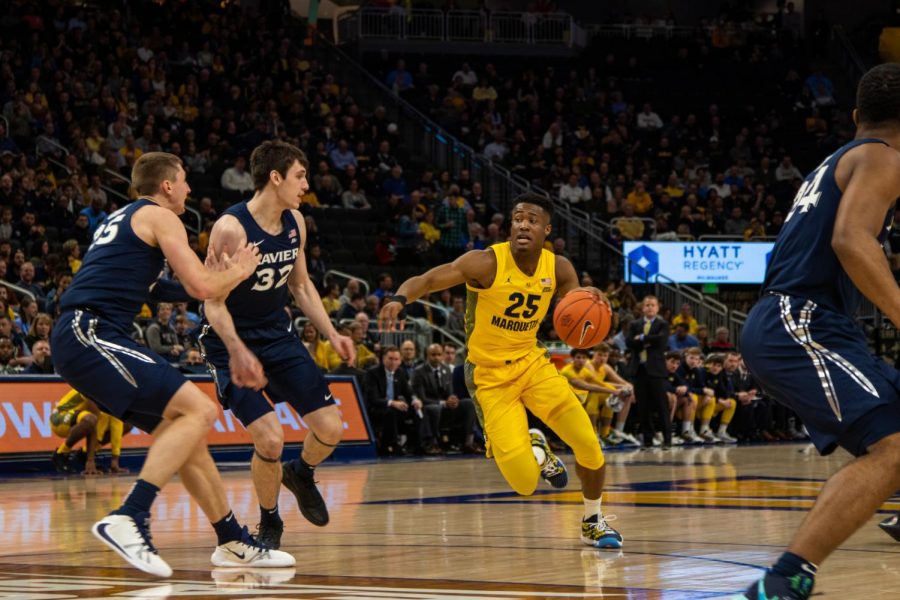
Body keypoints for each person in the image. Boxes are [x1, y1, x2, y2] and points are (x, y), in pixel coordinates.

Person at [50, 151, 294, 577]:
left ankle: (232, 540)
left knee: (184, 433)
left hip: (83, 335)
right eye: (183, 181)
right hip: (91, 332)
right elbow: (201, 287)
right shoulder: (163, 218)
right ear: (166, 185)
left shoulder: (125, 217)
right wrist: (238, 270)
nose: (188, 189)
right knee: (200, 410)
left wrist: (201, 279)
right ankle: (130, 516)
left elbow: (156, 286)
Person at [379, 193, 622, 548]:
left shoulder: (558, 268)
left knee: (589, 446)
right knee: (524, 483)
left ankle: (593, 520)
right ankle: (537, 450)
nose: (523, 224)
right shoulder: (486, 263)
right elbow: (430, 279)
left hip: (532, 365)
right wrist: (400, 298)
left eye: (532, 220)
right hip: (489, 377)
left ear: (547, 230)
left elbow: (577, 306)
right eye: (517, 218)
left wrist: (593, 299)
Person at [739, 63, 900, 599]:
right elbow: (852, 241)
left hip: (806, 321)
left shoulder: (840, 158)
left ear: (857, 116)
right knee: (893, 450)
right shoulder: (883, 156)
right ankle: (782, 583)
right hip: (800, 320)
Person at [198, 141, 356, 550]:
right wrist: (236, 349)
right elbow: (211, 302)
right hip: (229, 341)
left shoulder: (296, 222)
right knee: (269, 439)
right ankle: (269, 521)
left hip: (276, 335)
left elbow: (300, 285)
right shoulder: (230, 229)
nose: (306, 184)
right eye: (300, 176)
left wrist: (331, 332)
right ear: (275, 177)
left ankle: (300, 472)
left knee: (331, 428)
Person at [626, 295, 672, 448]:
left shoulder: (662, 324)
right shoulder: (634, 324)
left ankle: (667, 440)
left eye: (652, 305)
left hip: (656, 371)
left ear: (657, 307)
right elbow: (629, 342)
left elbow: (661, 341)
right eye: (647, 305)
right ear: (642, 307)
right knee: (643, 407)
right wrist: (647, 341)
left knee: (662, 406)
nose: (650, 307)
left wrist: (643, 338)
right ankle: (648, 440)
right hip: (639, 370)